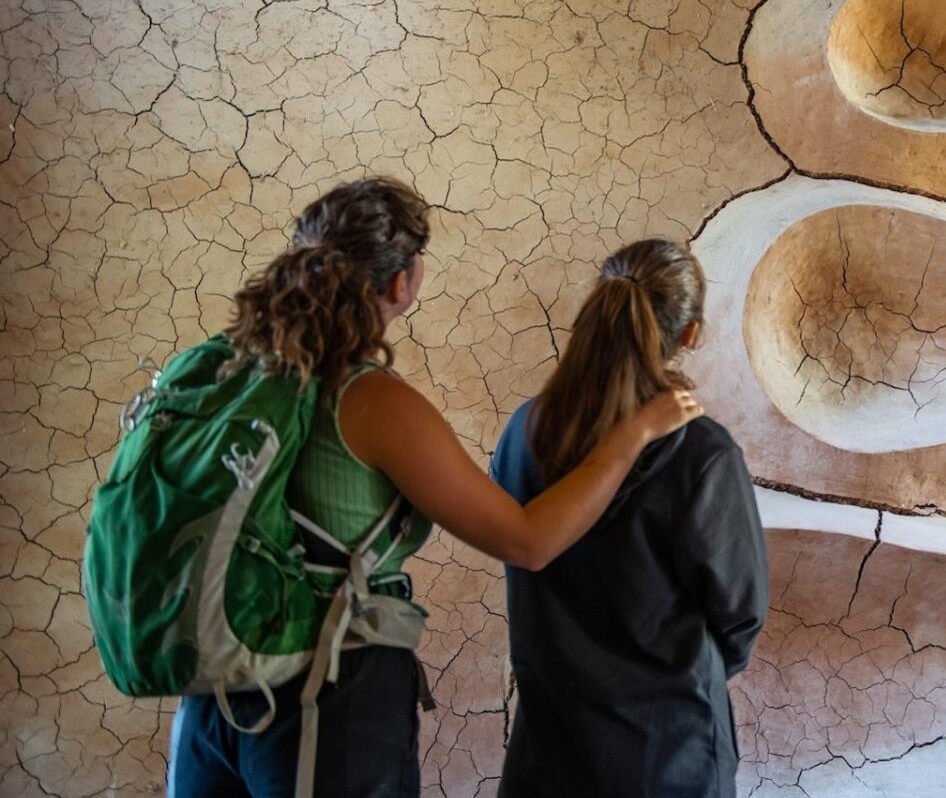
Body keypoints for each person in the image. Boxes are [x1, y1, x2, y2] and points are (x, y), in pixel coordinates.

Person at [169, 178, 702, 798]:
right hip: (320, 700)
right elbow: (528, 541)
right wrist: (634, 433)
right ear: (402, 281)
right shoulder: (368, 400)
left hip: (211, 690)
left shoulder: (225, 370)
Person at [490, 239, 769, 798]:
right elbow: (740, 614)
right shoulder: (700, 453)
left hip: (549, 754)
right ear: (690, 334)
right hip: (668, 757)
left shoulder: (524, 431)